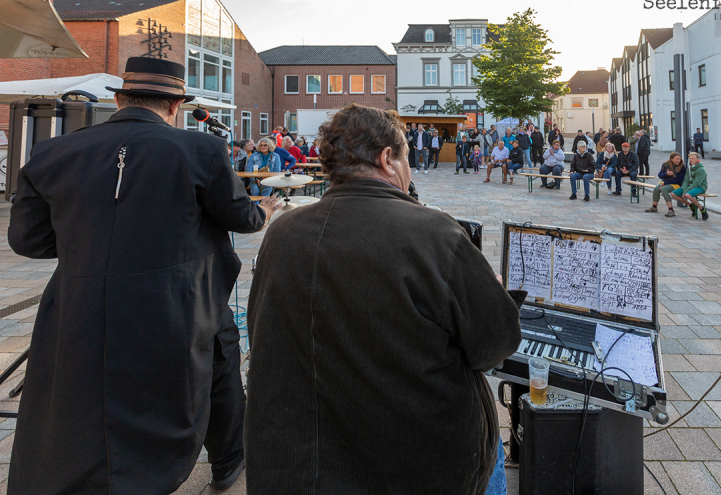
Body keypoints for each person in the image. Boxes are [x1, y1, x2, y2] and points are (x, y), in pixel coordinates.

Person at [6, 57, 283, 494]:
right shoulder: (200, 149)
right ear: (176, 104)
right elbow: (240, 218)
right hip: (180, 298)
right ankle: (229, 458)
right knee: (219, 359)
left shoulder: (53, 152)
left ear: (118, 99)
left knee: (82, 385)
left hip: (82, 299)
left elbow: (30, 242)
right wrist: (265, 211)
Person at [245, 103, 521, 495]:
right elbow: (494, 347)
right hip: (418, 464)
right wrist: (489, 294)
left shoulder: (281, 233)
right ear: (387, 158)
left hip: (304, 461)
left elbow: (263, 334)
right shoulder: (435, 234)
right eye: (406, 156)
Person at [670, 152, 709, 220]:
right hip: (690, 186)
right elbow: (686, 180)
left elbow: (697, 183)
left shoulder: (701, 170)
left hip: (700, 187)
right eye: (690, 158)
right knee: (673, 194)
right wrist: (685, 190)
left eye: (693, 158)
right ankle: (691, 206)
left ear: (697, 159)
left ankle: (702, 209)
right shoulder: (689, 168)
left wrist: (686, 192)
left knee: (688, 195)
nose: (691, 160)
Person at [645, 152, 686, 217]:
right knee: (656, 189)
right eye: (676, 159)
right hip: (665, 182)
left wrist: (665, 183)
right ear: (671, 159)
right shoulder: (665, 164)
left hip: (676, 184)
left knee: (664, 189)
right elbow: (659, 175)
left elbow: (679, 180)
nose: (678, 160)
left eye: (679, 159)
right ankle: (654, 207)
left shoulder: (682, 167)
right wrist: (666, 174)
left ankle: (671, 210)